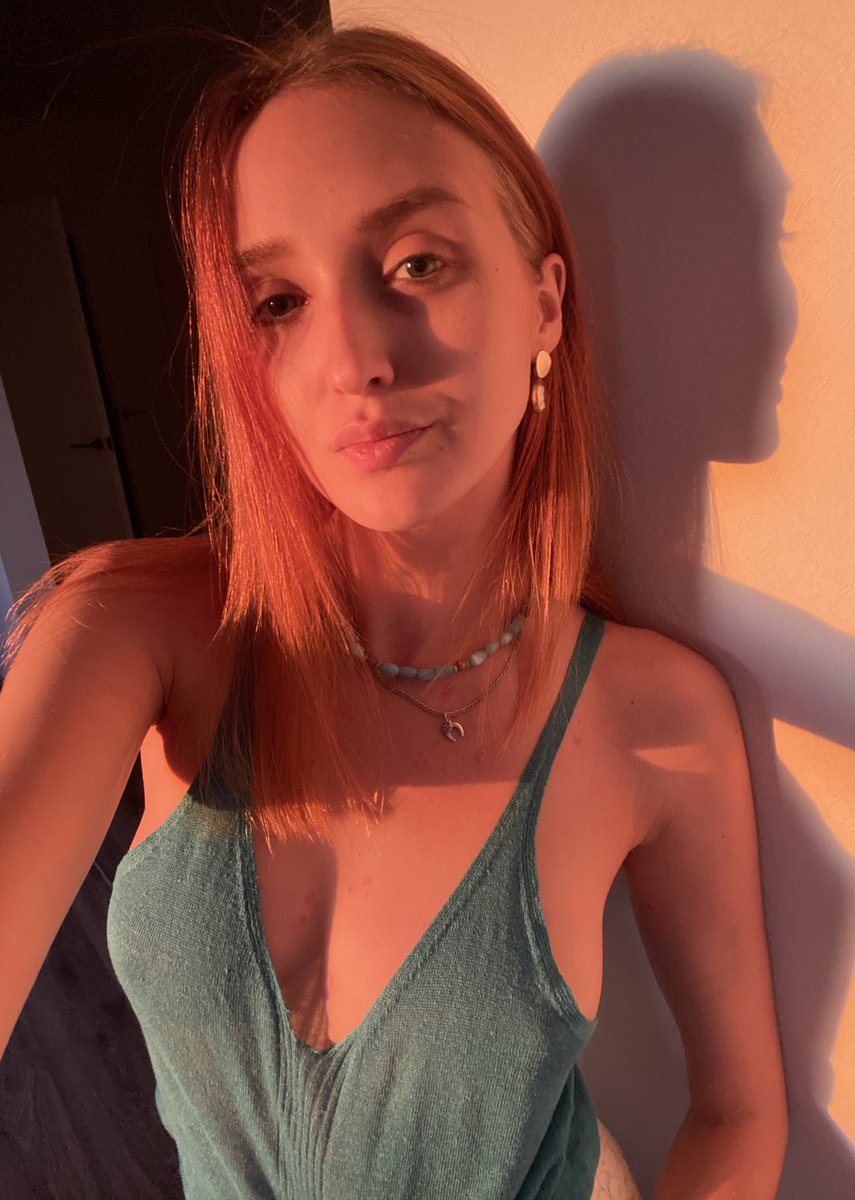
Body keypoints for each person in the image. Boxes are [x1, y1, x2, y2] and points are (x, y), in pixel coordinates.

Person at [0, 19, 788, 1200]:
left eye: (419, 263)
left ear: (546, 305)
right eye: (278, 300)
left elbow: (739, 1111)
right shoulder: (136, 629)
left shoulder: (656, 724)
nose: (354, 359)